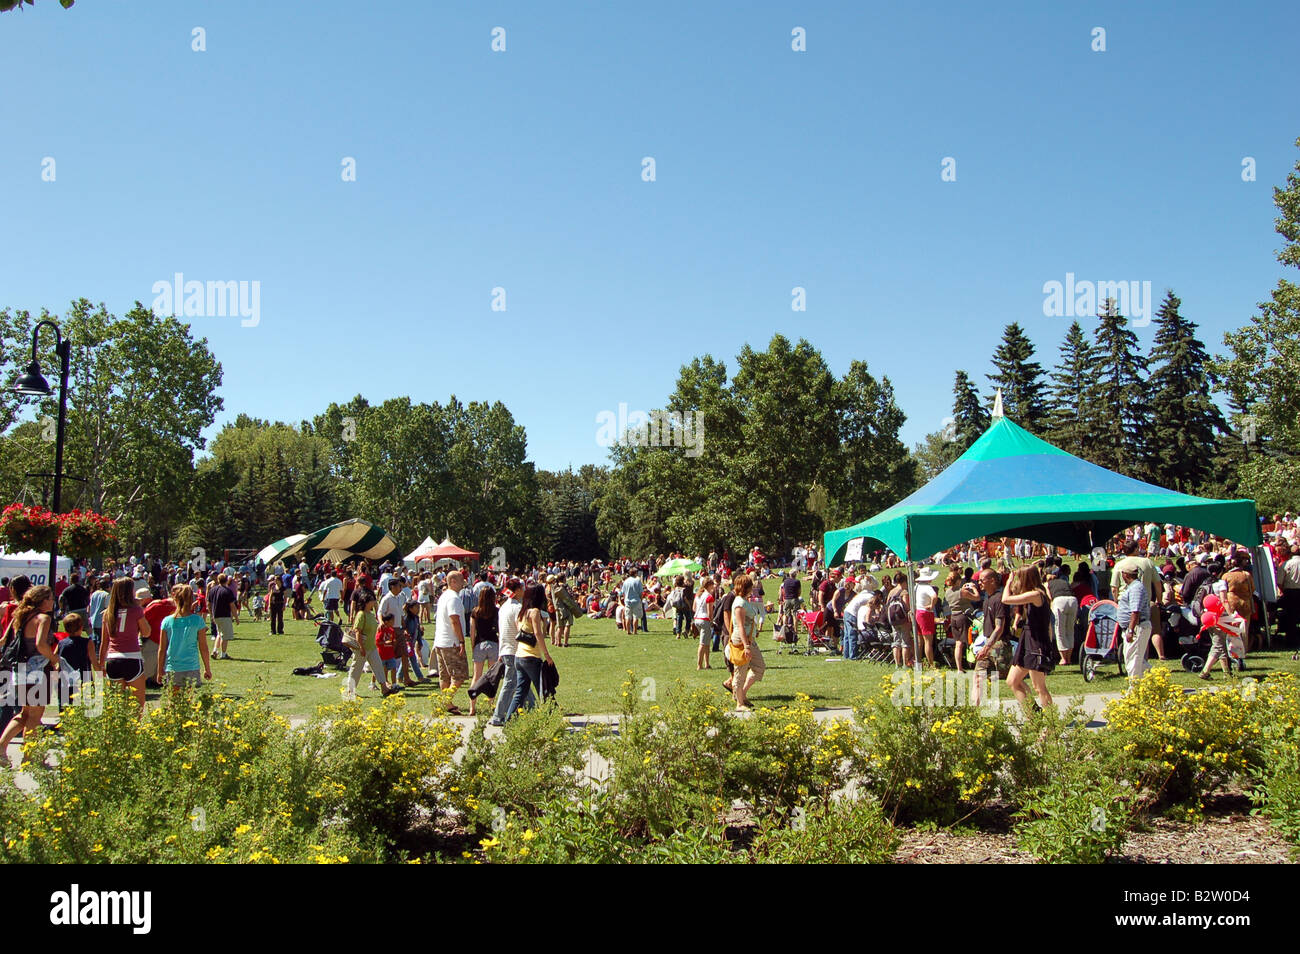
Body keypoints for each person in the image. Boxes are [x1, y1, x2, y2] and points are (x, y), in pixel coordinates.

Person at [0, 585, 60, 757]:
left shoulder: (23, 617)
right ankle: (29, 756)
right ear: (42, 600)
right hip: (37, 672)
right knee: (35, 715)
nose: (52, 601)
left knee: (25, 713)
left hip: (20, 670)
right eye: (50, 598)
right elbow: (40, 645)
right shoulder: (43, 618)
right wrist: (54, 659)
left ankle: (2, 745)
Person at [1000, 566, 1054, 713]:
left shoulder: (1036, 594)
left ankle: (1051, 723)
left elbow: (1006, 599)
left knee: (1039, 687)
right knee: (1012, 681)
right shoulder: (1033, 593)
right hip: (1027, 640)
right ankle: (1034, 715)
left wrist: (1008, 582)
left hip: (1036, 643)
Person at [502, 582, 553, 721]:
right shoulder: (535, 612)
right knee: (543, 689)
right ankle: (550, 719)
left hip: (519, 656)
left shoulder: (522, 611)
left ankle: (509, 720)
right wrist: (547, 655)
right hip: (531, 656)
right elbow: (538, 634)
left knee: (521, 691)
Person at [98, 577, 151, 709]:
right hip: (132, 658)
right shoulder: (136, 610)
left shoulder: (107, 613)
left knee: (117, 705)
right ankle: (134, 728)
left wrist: (101, 664)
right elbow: (146, 632)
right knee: (138, 704)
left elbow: (104, 642)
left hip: (112, 659)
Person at [342, 589, 396, 700]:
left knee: (378, 667)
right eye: (372, 600)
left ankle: (384, 687)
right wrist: (361, 647)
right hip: (363, 647)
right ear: (366, 602)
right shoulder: (361, 614)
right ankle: (350, 691)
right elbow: (358, 631)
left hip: (372, 647)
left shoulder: (371, 614)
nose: (374, 602)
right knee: (356, 669)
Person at [157, 584, 211, 691]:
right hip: (191, 666)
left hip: (172, 667)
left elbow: (162, 649)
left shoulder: (167, 621)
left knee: (173, 703)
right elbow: (203, 647)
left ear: (175, 599)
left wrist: (159, 670)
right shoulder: (198, 621)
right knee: (189, 702)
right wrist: (207, 668)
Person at [490, 578, 526, 726]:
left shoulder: (504, 606)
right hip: (514, 650)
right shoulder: (517, 607)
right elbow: (521, 629)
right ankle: (498, 716)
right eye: (522, 588)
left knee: (523, 683)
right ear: (517, 590)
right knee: (511, 683)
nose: (524, 591)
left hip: (505, 649)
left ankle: (533, 710)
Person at [434, 571, 470, 714]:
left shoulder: (444, 596)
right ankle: (446, 702)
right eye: (461, 580)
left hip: (440, 641)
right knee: (459, 675)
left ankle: (446, 703)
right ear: (453, 581)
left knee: (445, 676)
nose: (464, 582)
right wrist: (461, 640)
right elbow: (454, 620)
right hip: (451, 642)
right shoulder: (453, 598)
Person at [728, 574, 764, 711]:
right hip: (742, 641)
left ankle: (741, 694)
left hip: (750, 639)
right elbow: (740, 626)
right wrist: (746, 646)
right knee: (740, 671)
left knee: (759, 667)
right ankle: (739, 704)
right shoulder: (739, 604)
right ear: (746, 587)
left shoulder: (744, 600)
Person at [1116, 564, 1153, 684]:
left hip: (1137, 627)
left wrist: (1131, 630)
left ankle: (1134, 689)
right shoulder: (1133, 587)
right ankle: (1154, 681)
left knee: (1133, 661)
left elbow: (1135, 611)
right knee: (1137, 660)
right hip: (1133, 627)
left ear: (1125, 575)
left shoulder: (1136, 588)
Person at [468, 586, 499, 716]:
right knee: (492, 677)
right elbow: (499, 629)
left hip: (479, 644)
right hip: (493, 643)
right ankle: (490, 704)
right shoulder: (496, 611)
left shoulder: (475, 612)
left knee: (476, 676)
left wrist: (473, 645)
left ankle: (472, 707)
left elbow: (472, 631)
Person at [942, 569, 978, 673]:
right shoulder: (962, 592)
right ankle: (973, 662)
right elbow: (977, 598)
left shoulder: (947, 592)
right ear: (958, 581)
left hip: (954, 617)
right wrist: (974, 588)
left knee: (958, 643)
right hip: (963, 617)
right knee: (971, 640)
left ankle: (959, 668)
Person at [1047, 565, 1080, 666]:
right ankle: (1069, 658)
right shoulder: (1064, 582)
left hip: (1059, 601)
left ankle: (1063, 658)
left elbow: (1049, 596)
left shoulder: (1047, 584)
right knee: (1070, 630)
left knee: (1060, 630)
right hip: (1073, 600)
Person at [209, 573, 239, 660]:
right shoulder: (227, 591)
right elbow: (232, 605)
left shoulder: (213, 590)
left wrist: (211, 614)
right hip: (225, 615)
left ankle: (215, 650)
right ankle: (223, 654)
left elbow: (209, 603)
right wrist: (236, 617)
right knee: (225, 636)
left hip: (216, 615)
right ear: (226, 580)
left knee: (219, 633)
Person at [694, 577, 717, 670]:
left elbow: (694, 608)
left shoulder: (698, 595)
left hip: (697, 618)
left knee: (706, 643)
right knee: (703, 643)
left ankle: (707, 664)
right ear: (709, 585)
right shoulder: (709, 597)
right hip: (705, 620)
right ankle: (699, 665)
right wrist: (712, 621)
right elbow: (709, 612)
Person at [620, 570, 645, 635]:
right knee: (635, 617)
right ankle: (635, 631)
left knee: (628, 616)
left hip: (628, 601)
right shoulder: (637, 581)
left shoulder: (626, 581)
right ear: (635, 573)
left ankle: (628, 631)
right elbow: (641, 592)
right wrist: (641, 600)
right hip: (636, 600)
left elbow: (623, 592)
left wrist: (625, 599)